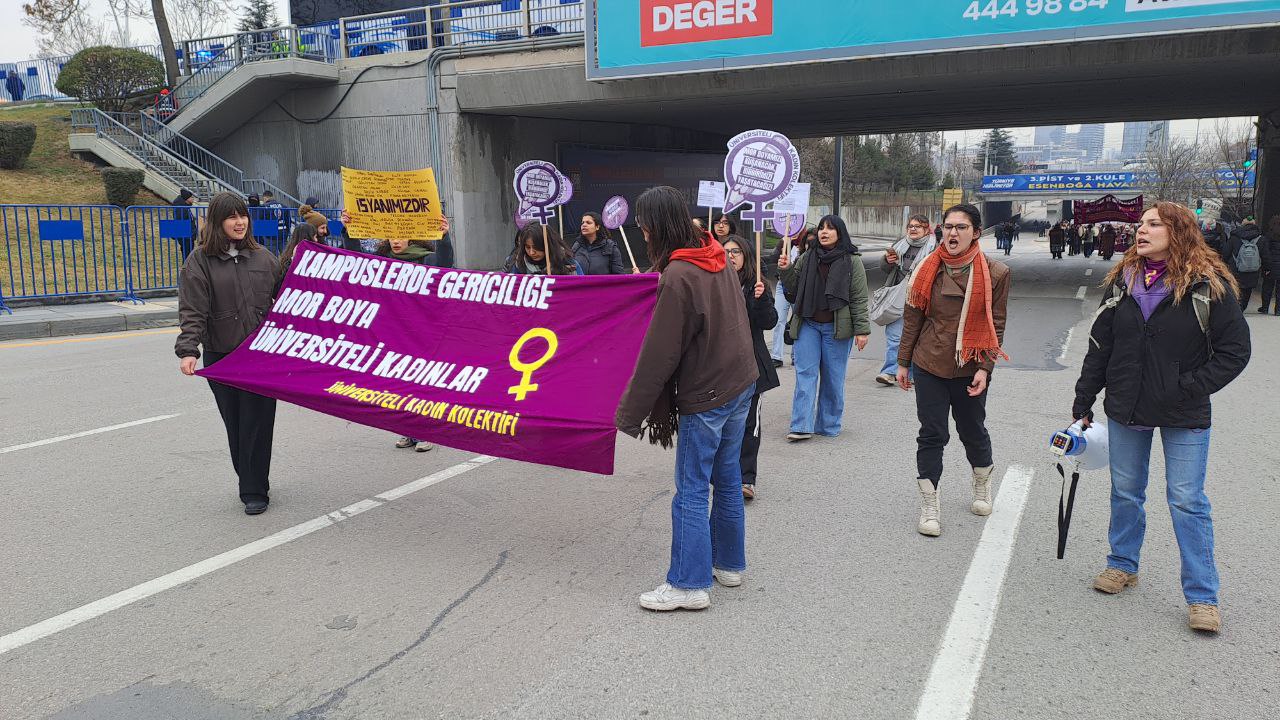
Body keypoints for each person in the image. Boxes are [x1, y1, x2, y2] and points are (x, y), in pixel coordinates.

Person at [1072, 202, 1250, 634]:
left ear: (1179, 231)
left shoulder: (1208, 285)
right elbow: (1100, 345)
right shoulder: (1122, 281)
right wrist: (1084, 398)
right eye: (1141, 223)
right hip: (1127, 404)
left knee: (1187, 500)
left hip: (1183, 409)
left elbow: (1235, 352)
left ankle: (1203, 597)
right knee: (1126, 491)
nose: (1142, 230)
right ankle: (1122, 564)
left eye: (1154, 224)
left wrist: (1188, 385)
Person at [615, 186, 757, 612]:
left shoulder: (680, 274)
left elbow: (660, 354)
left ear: (657, 225)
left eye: (644, 225)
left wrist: (629, 413)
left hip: (709, 392)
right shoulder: (712, 250)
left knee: (692, 488)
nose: (641, 232)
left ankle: (688, 584)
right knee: (727, 477)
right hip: (740, 381)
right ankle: (728, 564)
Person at [896, 203, 1010, 538]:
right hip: (929, 363)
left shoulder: (997, 273)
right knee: (932, 434)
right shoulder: (925, 269)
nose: (953, 233)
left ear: (976, 233)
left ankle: (981, 483)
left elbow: (997, 324)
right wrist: (903, 362)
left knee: (972, 430)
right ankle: (930, 505)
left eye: (961, 227)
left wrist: (985, 368)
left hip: (970, 366)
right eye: (948, 227)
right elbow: (913, 318)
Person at [175, 192, 280, 516]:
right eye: (232, 217)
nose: (240, 222)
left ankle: (254, 488)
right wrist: (188, 349)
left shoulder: (264, 257)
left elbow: (288, 299)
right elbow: (192, 309)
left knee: (258, 424)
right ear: (218, 222)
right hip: (222, 356)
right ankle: (250, 478)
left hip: (260, 356)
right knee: (236, 424)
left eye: (243, 215)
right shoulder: (199, 261)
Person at [777, 215, 870, 442]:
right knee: (805, 375)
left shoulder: (852, 261)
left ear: (840, 233)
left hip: (837, 328)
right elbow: (793, 288)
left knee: (833, 378)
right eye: (821, 228)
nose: (823, 232)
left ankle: (828, 425)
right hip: (808, 323)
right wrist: (786, 269)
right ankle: (801, 425)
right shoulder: (808, 256)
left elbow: (859, 297)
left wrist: (862, 330)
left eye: (829, 228)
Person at [722, 236, 779, 500]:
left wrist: (761, 299)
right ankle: (723, 474)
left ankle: (746, 478)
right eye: (725, 252)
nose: (730, 256)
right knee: (722, 424)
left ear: (746, 255)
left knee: (749, 424)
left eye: (735, 251)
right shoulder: (712, 283)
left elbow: (769, 322)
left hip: (751, 366)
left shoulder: (756, 285)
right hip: (720, 367)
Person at [877, 214, 936, 386]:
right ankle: (889, 372)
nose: (913, 229)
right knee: (894, 337)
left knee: (917, 337)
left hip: (920, 298)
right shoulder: (900, 244)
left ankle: (911, 373)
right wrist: (887, 261)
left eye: (918, 226)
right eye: (910, 226)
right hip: (898, 296)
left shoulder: (935, 248)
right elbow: (885, 269)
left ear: (926, 230)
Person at [768, 227, 810, 367]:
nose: (794, 231)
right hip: (782, 285)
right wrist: (784, 242)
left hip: (797, 287)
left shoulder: (806, 243)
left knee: (796, 322)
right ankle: (776, 356)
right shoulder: (785, 242)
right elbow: (773, 258)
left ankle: (795, 355)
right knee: (779, 319)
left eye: (797, 228)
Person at [1224, 214, 1270, 311]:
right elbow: (1265, 256)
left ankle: (1237, 307)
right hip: (1253, 270)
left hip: (1236, 268)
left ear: (1242, 224)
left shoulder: (1234, 237)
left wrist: (1224, 266)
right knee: (1247, 290)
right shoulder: (1261, 239)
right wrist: (1266, 268)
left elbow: (1226, 253)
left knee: (1236, 288)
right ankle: (1243, 307)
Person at [503, 224, 581, 275]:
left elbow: (581, 288)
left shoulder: (568, 263)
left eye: (536, 247)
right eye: (528, 247)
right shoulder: (516, 264)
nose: (532, 252)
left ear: (548, 245)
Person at [1257, 215, 1280, 315]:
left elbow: (1265, 252)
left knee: (1267, 287)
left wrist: (1266, 266)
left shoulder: (1269, 235)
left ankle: (1265, 307)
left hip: (1270, 265)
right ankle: (1278, 310)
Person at [171, 189, 199, 262]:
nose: (193, 199)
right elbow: (179, 221)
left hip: (187, 234)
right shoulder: (181, 209)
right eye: (191, 197)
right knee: (187, 254)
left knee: (188, 254)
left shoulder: (185, 207)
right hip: (186, 236)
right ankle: (186, 267)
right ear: (187, 199)